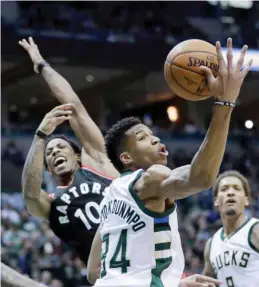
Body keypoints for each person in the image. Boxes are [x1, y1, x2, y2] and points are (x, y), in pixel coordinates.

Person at [86, 38, 253, 287]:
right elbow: (201, 178)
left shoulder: (110, 198)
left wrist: (172, 282)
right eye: (143, 138)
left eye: (153, 134)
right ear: (127, 158)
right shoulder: (151, 177)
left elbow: (94, 271)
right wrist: (224, 103)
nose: (154, 139)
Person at [20, 38, 119, 266]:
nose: (54, 152)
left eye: (60, 147)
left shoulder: (100, 167)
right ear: (49, 169)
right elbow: (30, 194)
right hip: (106, 277)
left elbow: (73, 105)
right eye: (49, 153)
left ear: (77, 156)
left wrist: (42, 65)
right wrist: (40, 137)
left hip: (143, 263)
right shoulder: (50, 204)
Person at [203, 170, 259, 287]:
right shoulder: (211, 245)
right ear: (216, 201)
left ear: (246, 200)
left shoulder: (255, 230)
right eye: (224, 189)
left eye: (236, 188)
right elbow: (208, 282)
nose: (230, 193)